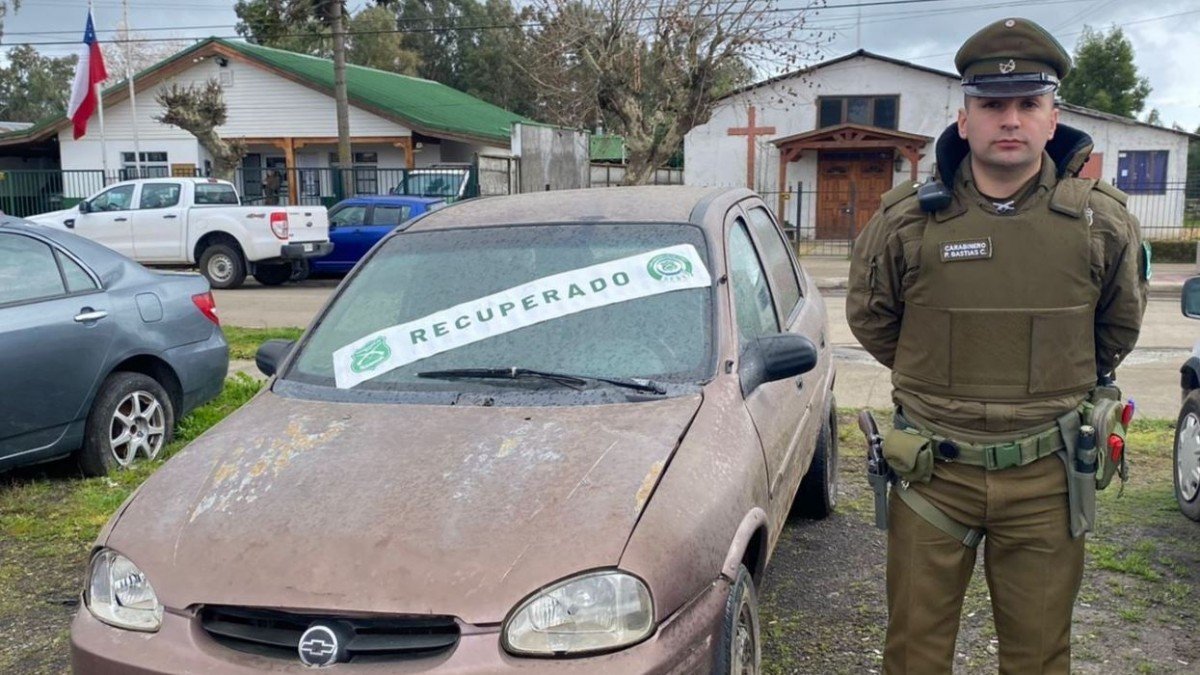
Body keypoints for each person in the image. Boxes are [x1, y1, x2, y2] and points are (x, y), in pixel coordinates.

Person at [846, 17, 1149, 674]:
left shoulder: (1102, 221)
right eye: (991, 104)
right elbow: (873, 321)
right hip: (933, 473)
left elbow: (1116, 329)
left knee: (1040, 656)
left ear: (1051, 117)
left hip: (1046, 476)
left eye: (1027, 104)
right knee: (912, 655)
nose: (1009, 119)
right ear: (964, 119)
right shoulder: (905, 221)